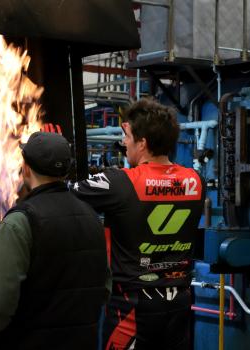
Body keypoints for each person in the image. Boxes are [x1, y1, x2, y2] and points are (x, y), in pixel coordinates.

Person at [70, 99, 205, 350]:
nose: (124, 143)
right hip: (180, 302)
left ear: (142, 143)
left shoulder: (120, 182)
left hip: (131, 307)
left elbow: (69, 193)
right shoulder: (195, 180)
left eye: (128, 137)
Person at [0, 132, 109, 350]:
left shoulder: (19, 223)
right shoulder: (91, 217)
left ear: (26, 168)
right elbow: (103, 287)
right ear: (65, 170)